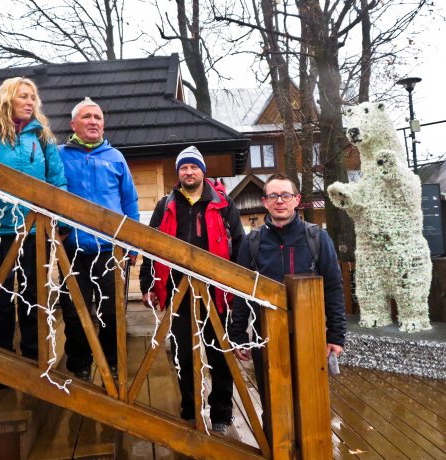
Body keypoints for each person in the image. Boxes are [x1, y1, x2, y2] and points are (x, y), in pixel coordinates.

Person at [228, 173, 346, 433]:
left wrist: (336, 336)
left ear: (297, 200)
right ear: (265, 201)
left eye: (286, 195)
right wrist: (238, 335)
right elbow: (241, 292)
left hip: (310, 337)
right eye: (273, 196)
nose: (279, 201)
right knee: (272, 405)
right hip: (266, 338)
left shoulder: (317, 238)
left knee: (311, 402)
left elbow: (334, 288)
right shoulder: (252, 242)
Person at [139, 146, 245, 435]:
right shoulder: (165, 205)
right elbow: (150, 245)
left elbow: (240, 244)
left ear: (202, 171)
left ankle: (221, 416)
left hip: (217, 293)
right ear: (178, 173)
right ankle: (189, 411)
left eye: (193, 167)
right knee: (184, 355)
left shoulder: (224, 203)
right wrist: (148, 283)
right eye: (183, 168)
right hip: (178, 292)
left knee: (220, 355)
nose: (188, 172)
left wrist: (238, 288)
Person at [0, 77, 68, 366]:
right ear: (9, 99)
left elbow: (57, 181)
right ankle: (2, 361)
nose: (30, 102)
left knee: (33, 295)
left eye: (33, 98)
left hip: (34, 230)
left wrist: (60, 221)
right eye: (24, 96)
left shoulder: (42, 136)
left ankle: (34, 358)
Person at [58, 97, 140, 381]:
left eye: (98, 117)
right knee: (73, 310)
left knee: (112, 311)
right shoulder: (59, 155)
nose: (93, 121)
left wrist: (131, 244)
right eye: (87, 117)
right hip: (72, 248)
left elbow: (130, 202)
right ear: (73, 124)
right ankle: (79, 365)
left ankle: (112, 364)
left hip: (111, 251)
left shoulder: (115, 157)